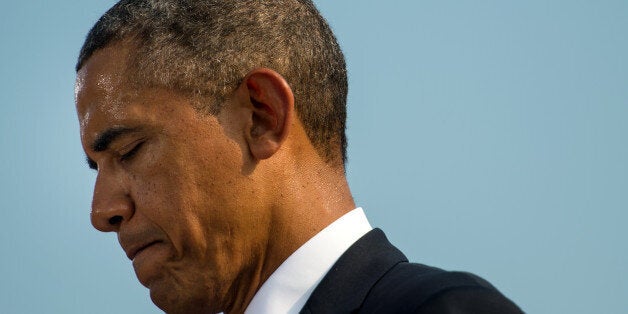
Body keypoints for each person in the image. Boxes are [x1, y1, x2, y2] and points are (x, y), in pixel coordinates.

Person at [75, 0, 522, 313]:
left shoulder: (446, 310)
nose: (102, 211)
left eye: (130, 151)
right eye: (97, 168)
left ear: (262, 117)